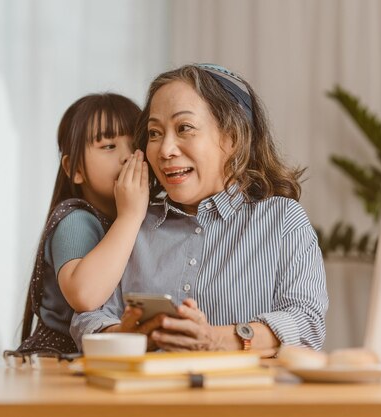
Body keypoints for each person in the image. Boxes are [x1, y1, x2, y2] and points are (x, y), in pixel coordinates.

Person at [71, 64, 327, 357]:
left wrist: (217, 339)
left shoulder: (282, 220)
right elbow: (87, 318)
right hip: (148, 398)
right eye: (154, 133)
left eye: (184, 128)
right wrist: (123, 335)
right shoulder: (133, 223)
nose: (165, 149)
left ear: (232, 137)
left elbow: (307, 323)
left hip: (245, 400)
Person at [16, 93, 148, 355]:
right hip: (59, 362)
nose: (126, 156)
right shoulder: (76, 219)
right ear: (75, 168)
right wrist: (130, 216)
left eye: (136, 144)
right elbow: (84, 296)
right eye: (109, 146)